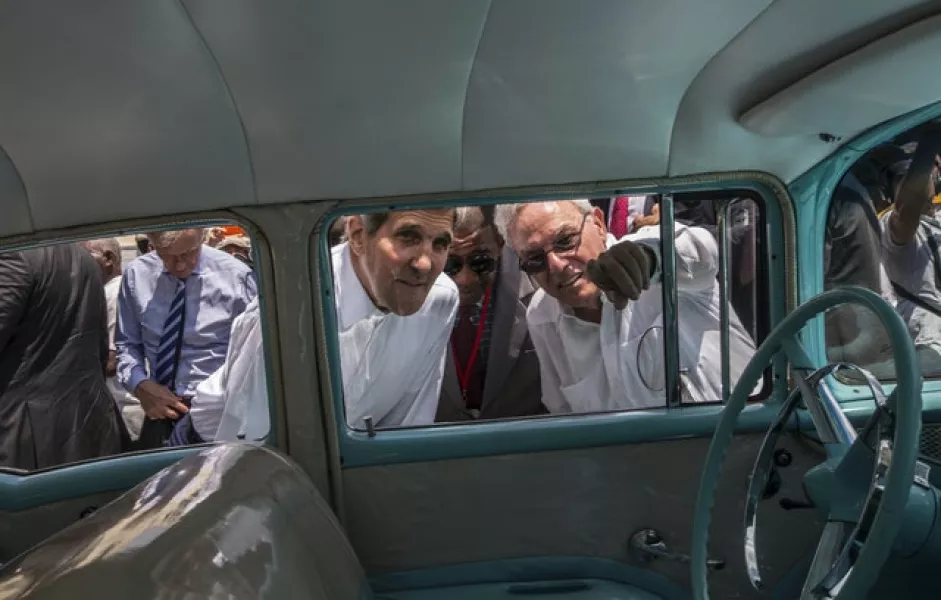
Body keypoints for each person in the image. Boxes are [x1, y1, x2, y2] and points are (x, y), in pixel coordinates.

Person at [494, 199, 755, 413]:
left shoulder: (655, 251)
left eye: (565, 240)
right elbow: (565, 416)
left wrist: (650, 261)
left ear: (598, 222)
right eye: (535, 260)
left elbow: (702, 252)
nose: (557, 265)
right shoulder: (541, 316)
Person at [115, 228, 257, 448]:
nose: (180, 265)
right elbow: (127, 345)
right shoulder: (136, 276)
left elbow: (255, 350)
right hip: (159, 412)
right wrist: (140, 386)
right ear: (152, 246)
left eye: (189, 252)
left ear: (203, 237)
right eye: (167, 256)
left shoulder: (238, 277)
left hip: (218, 415)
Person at [0, 244, 125, 469]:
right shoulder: (82, 256)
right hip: (87, 420)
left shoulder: (13, 255)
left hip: (25, 434)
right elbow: (98, 346)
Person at [337, 209, 458, 428]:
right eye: (408, 238)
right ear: (358, 235)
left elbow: (410, 425)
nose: (424, 264)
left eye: (440, 243)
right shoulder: (296, 302)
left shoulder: (440, 300)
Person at [435, 206, 545, 422]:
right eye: (450, 265)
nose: (465, 280)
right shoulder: (403, 293)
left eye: (480, 262)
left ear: (500, 243)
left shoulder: (542, 280)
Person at [880, 123, 941, 370]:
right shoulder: (893, 224)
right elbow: (908, 207)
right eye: (902, 180)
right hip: (929, 342)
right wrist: (931, 140)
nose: (914, 183)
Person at [81, 238, 145, 440]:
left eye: (85, 257)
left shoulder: (114, 294)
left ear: (108, 258)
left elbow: (112, 360)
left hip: (126, 406)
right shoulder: (109, 291)